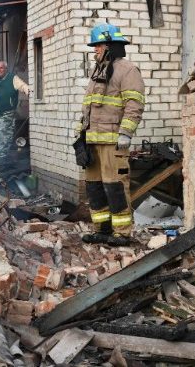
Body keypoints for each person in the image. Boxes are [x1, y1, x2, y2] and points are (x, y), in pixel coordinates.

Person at [77, 23, 145, 247]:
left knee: (115, 188)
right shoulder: (98, 71)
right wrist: (81, 137)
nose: (95, 49)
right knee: (95, 188)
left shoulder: (127, 70)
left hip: (113, 143)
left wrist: (126, 133)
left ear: (109, 45)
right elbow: (88, 109)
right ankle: (102, 230)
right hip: (93, 143)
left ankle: (122, 233)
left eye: (98, 45)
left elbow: (134, 104)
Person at [0, 60, 28, 161]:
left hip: (8, 111)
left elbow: (23, 86)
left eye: (1, 68)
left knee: (4, 132)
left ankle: (1, 157)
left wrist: (29, 91)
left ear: (5, 69)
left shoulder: (12, 78)